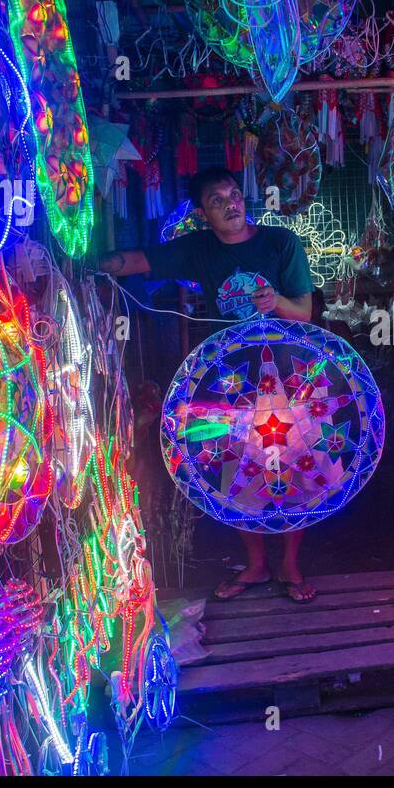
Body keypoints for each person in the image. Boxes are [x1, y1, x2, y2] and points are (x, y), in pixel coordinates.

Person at [98, 167, 318, 603]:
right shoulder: (199, 249)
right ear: (203, 213)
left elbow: (305, 312)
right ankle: (255, 565)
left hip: (285, 375)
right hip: (229, 379)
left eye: (234, 195)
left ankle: (290, 565)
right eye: (218, 201)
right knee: (233, 466)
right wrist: (88, 263)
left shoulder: (280, 243)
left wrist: (276, 303)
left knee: (293, 466)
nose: (231, 204)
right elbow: (141, 261)